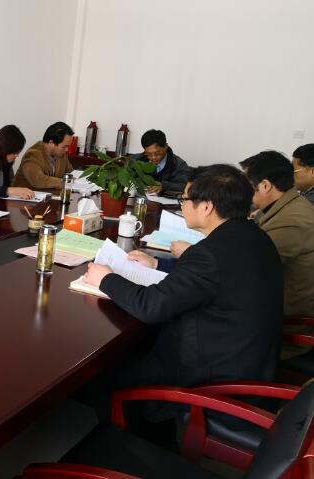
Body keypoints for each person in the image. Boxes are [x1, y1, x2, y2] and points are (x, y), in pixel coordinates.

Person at [83, 165, 283, 419]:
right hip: (249, 363)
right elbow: (217, 277)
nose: (182, 206)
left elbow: (151, 307)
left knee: (103, 375)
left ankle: (125, 435)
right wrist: (158, 264)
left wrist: (106, 279)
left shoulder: (209, 253)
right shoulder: (255, 236)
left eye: (185, 199)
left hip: (213, 380)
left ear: (207, 207)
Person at [239, 151, 314, 320]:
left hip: (288, 318)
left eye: (246, 186)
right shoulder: (287, 202)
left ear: (265, 186)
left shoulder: (291, 222)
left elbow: (246, 268)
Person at [11, 122, 74, 190]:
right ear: (51, 143)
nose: (67, 150)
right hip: (22, 195)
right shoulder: (33, 154)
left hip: (49, 194)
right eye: (64, 147)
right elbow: (38, 180)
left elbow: (70, 173)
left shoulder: (61, 154)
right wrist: (64, 182)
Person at [134, 129, 189, 194]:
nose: (153, 157)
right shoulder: (136, 160)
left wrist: (164, 186)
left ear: (166, 146)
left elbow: (184, 186)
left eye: (157, 153)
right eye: (149, 154)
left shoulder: (179, 165)